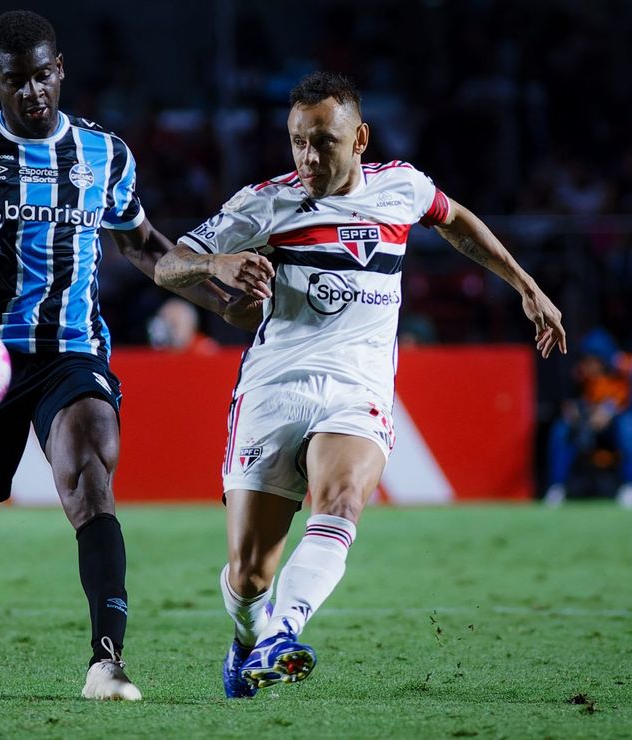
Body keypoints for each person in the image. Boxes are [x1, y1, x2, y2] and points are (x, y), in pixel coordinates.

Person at [153, 72, 566, 697]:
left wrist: (527, 288)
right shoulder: (265, 202)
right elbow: (167, 263)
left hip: (357, 386)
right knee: (249, 576)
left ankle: (281, 635)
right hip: (274, 389)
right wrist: (217, 262)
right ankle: (249, 635)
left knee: (342, 499)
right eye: (297, 142)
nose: (308, 157)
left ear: (360, 138)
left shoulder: (401, 187)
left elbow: (456, 221)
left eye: (323, 142)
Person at [0, 10, 241, 701]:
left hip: (71, 352)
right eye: (16, 81)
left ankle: (105, 662)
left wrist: (224, 299)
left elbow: (143, 245)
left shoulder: (104, 153)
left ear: (61, 69)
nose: (33, 92)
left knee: (89, 475)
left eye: (43, 75)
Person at [543, 328, 632, 508]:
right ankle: (557, 488)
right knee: (562, 428)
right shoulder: (582, 374)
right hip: (589, 427)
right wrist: (576, 410)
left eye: (593, 361)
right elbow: (569, 401)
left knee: (629, 426)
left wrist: (611, 412)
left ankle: (630, 486)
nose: (588, 366)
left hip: (618, 426)